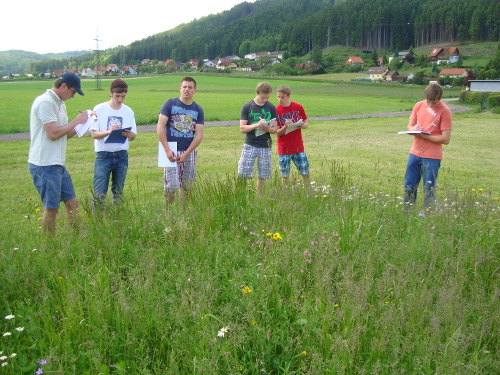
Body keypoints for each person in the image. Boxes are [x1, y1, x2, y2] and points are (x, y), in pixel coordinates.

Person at [28, 72, 90, 233]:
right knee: (52, 207)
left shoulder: (60, 103)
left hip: (57, 163)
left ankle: (79, 236)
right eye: (73, 92)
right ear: (63, 86)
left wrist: (85, 125)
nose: (73, 96)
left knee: (72, 202)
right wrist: (77, 120)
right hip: (44, 164)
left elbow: (64, 134)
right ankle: (50, 246)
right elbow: (53, 134)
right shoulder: (45, 102)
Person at [156, 77, 204, 210]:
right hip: (170, 148)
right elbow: (160, 127)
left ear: (195, 90)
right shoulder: (170, 104)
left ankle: (184, 213)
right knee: (170, 187)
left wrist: (187, 153)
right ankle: (170, 216)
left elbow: (199, 134)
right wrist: (166, 149)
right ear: (180, 89)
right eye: (184, 87)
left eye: (189, 87)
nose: (186, 90)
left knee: (187, 186)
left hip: (189, 150)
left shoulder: (198, 109)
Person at [90, 79, 137, 209]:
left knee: (118, 193)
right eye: (117, 96)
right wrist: (109, 131)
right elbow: (94, 134)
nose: (120, 99)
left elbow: (133, 136)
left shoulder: (128, 111)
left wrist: (131, 135)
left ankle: (117, 220)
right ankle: (97, 222)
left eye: (123, 96)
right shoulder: (99, 109)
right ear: (110, 93)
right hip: (103, 155)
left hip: (121, 155)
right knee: (99, 194)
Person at [403, 84, 452, 206]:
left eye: (434, 102)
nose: (430, 105)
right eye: (428, 101)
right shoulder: (419, 105)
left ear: (440, 98)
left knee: (429, 189)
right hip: (414, 153)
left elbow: (445, 139)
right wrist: (413, 129)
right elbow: (409, 125)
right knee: (409, 186)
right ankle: (407, 214)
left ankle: (428, 217)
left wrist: (423, 136)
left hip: (432, 157)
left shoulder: (445, 111)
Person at [238, 81, 278, 194]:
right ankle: (240, 195)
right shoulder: (247, 106)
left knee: (263, 175)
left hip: (265, 145)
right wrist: (257, 125)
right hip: (250, 144)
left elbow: (275, 129)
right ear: (257, 93)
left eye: (267, 97)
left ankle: (259, 197)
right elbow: (242, 128)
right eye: (263, 97)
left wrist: (267, 129)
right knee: (243, 173)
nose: (265, 100)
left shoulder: (271, 107)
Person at [275, 84, 310, 186]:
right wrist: (285, 126)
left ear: (288, 96)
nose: (280, 99)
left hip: (298, 146)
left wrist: (303, 125)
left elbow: (306, 123)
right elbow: (277, 133)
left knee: (305, 172)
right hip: (284, 148)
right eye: (278, 97)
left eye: (282, 97)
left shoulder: (298, 107)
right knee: (284, 175)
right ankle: (285, 194)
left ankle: (309, 192)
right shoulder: (276, 111)